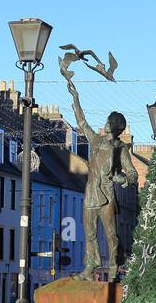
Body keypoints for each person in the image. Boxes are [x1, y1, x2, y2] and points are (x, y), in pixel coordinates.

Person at [59, 58, 138, 280]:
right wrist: (75, 98)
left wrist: (120, 178)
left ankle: (113, 268)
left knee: (111, 235)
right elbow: (82, 122)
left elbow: (132, 174)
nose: (104, 124)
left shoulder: (120, 148)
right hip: (90, 193)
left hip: (107, 195)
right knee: (90, 234)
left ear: (115, 127)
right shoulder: (95, 141)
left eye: (108, 122)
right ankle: (90, 267)